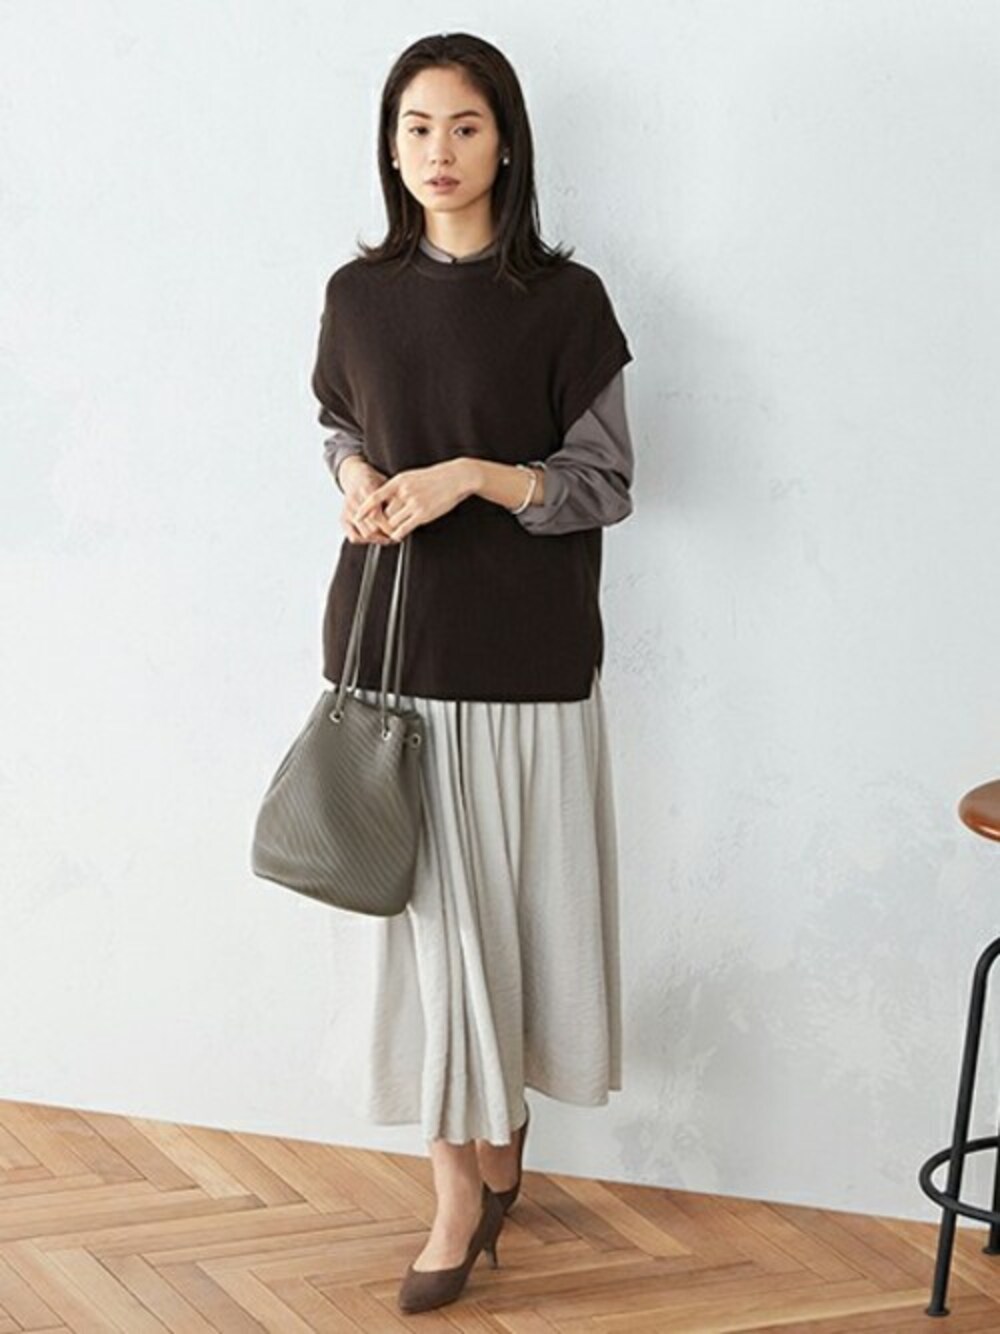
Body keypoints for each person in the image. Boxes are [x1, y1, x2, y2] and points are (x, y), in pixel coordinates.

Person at [310, 32, 635, 1315]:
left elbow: (602, 483)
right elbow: (340, 421)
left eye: (463, 126)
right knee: (429, 939)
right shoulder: (356, 294)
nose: (437, 151)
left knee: (512, 925)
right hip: (391, 655)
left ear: (506, 142)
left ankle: (504, 1136)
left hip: (528, 662)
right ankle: (457, 1190)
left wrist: (472, 477)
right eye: (416, 127)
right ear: (389, 148)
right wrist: (356, 480)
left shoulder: (566, 301)